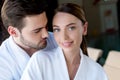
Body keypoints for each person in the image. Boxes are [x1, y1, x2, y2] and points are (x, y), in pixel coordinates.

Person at [20, 3, 108, 80]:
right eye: (57, 29)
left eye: (71, 28)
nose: (64, 37)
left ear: (84, 29)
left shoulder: (97, 71)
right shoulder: (40, 61)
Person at [0, 0, 58, 79]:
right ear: (13, 32)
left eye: (46, 26)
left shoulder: (58, 41)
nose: (46, 34)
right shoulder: (3, 64)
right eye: (37, 31)